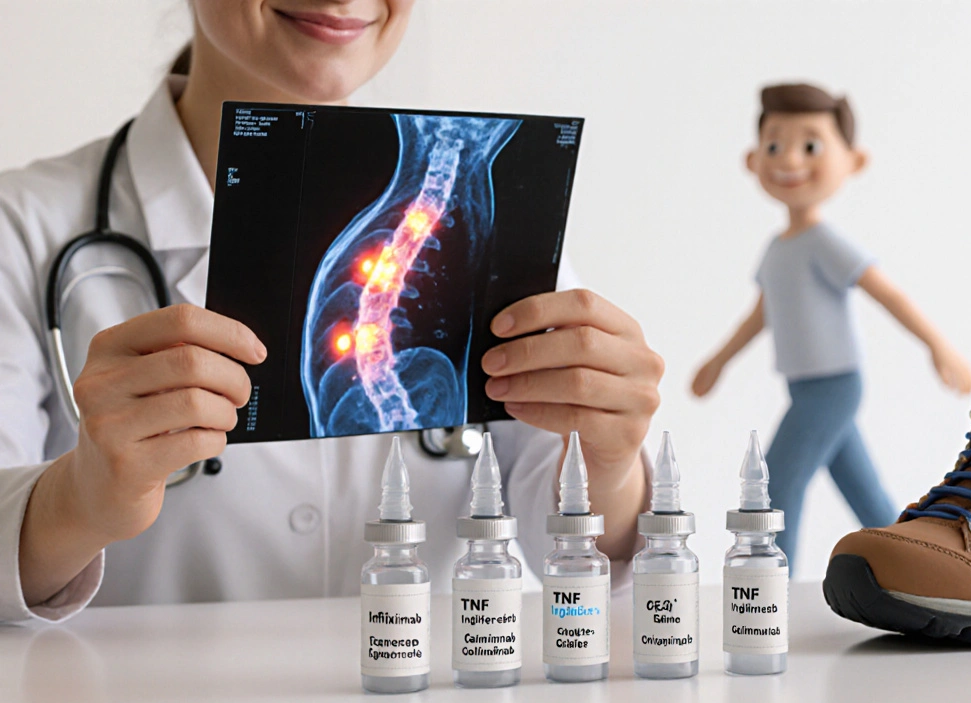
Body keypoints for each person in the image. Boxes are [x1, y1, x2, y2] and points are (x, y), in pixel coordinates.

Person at [0, 0, 662, 623]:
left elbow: (585, 564)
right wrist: (80, 500)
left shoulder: (488, 219)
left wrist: (609, 462)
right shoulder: (23, 228)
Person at [691, 82, 971, 564]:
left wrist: (938, 346)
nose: (789, 161)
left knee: (779, 479)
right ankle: (917, 564)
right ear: (752, 160)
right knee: (863, 491)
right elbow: (761, 314)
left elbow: (889, 294)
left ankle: (774, 586)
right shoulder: (779, 249)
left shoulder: (825, 243)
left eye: (810, 146)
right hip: (804, 387)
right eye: (774, 145)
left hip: (834, 385)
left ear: (854, 161)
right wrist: (718, 361)